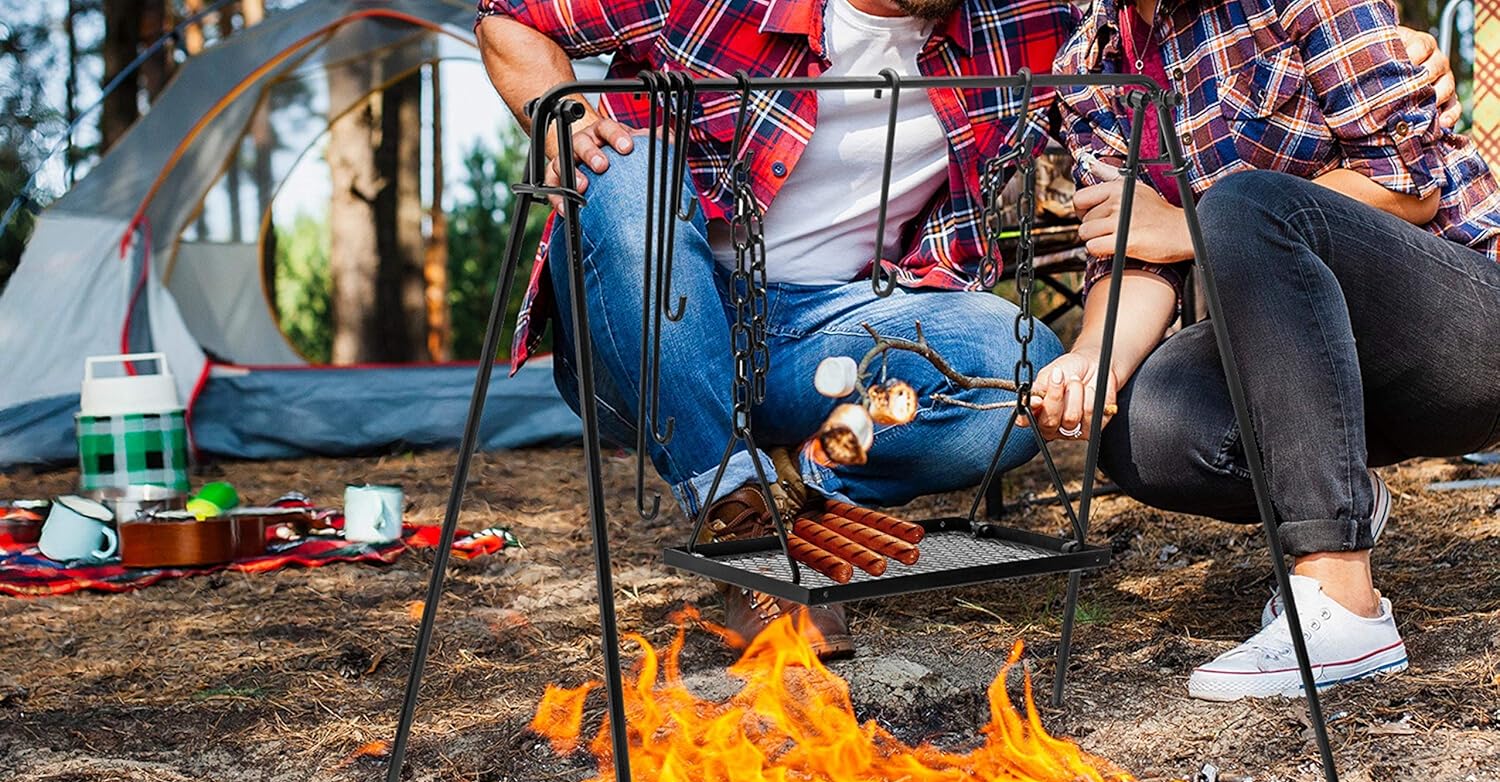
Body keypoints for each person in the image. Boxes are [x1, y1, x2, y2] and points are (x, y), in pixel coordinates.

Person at [475, 0, 1458, 659]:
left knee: (1013, 357)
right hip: (655, 325)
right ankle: (738, 518)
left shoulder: (1026, 23)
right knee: (618, 166)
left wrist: (1402, 61)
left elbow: (1171, 73)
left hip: (839, 336)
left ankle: (823, 492)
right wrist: (550, 114)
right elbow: (510, 16)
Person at [1042, 0, 1500, 699]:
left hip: (1464, 316)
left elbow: (1407, 185)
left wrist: (1193, 224)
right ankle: (1344, 498)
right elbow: (1132, 250)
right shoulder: (1090, 67)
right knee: (1144, 425)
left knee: (1245, 205)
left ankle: (1344, 603)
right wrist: (1089, 360)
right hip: (1316, 358)